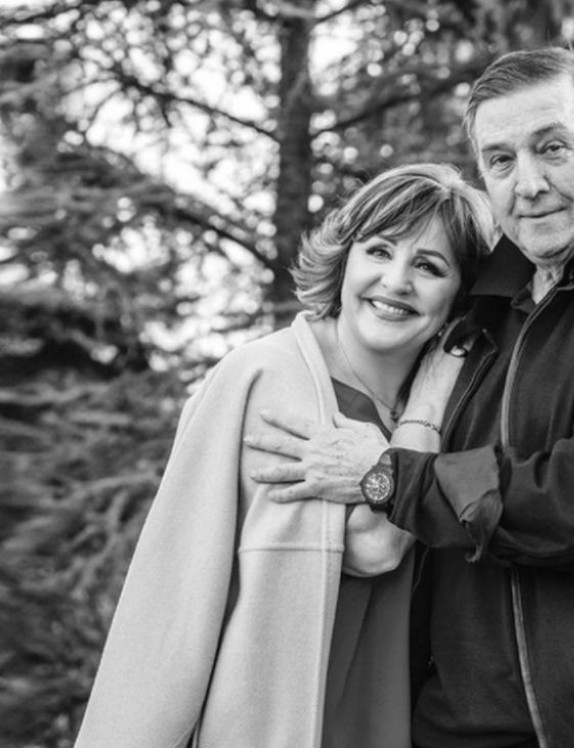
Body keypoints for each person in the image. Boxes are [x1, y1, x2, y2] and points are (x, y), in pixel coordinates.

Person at [248, 48, 574, 748]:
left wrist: (386, 477)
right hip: (460, 729)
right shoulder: (476, 309)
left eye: (552, 147)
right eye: (500, 160)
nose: (528, 184)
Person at [74, 163, 493, 748]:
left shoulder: (463, 413)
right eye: (379, 251)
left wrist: (422, 412)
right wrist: (424, 411)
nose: (396, 280)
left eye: (429, 266)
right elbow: (372, 548)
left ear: (459, 297)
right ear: (345, 261)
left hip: (397, 723)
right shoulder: (264, 379)